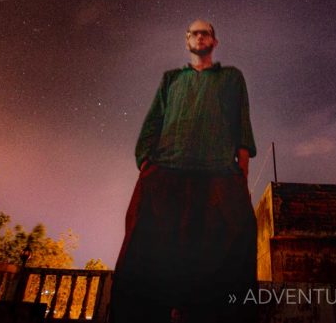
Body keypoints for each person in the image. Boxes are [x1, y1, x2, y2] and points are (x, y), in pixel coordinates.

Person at [110, 19, 258, 323]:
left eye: (206, 33)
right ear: (187, 40)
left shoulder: (231, 78)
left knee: (229, 250)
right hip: (167, 172)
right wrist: (145, 163)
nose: (200, 36)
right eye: (194, 32)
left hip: (217, 174)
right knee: (145, 251)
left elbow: (241, 121)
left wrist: (241, 172)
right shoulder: (171, 80)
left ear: (215, 42)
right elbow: (153, 121)